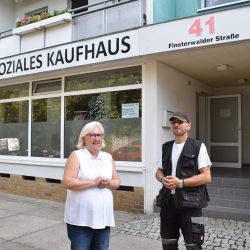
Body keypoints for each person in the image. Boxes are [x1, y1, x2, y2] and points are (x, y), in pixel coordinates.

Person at [155, 112, 211, 250]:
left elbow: (206, 176)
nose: (176, 125)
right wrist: (163, 180)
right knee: (168, 244)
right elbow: (158, 171)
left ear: (188, 126)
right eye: (173, 122)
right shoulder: (166, 147)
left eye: (180, 122)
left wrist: (180, 182)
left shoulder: (198, 146)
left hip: (191, 204)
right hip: (168, 203)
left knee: (193, 245)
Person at [63, 121, 120, 250]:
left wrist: (109, 183)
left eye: (100, 135)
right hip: (80, 221)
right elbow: (68, 182)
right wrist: (93, 183)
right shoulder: (76, 156)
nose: (97, 138)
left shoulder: (107, 157)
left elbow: (116, 181)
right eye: (93, 135)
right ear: (84, 138)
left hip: (103, 219)